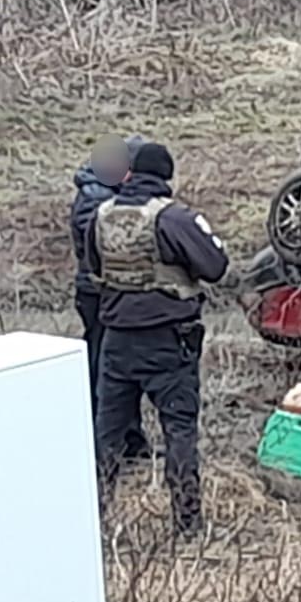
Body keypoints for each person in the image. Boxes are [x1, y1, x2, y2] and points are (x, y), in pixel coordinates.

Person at [84, 142, 229, 537]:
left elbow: (93, 268)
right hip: (168, 342)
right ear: (166, 177)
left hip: (116, 342)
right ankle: (187, 524)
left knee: (107, 435)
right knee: (179, 429)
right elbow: (215, 267)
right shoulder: (174, 218)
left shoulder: (102, 216)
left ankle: (90, 519)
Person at [71, 134, 153, 459]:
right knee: (103, 367)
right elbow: (98, 243)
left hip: (112, 292)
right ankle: (102, 440)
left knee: (121, 366)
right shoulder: (95, 197)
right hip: (99, 293)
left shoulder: (103, 191)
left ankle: (127, 436)